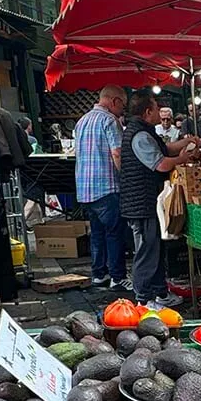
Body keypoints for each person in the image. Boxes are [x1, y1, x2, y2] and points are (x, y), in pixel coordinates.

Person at [120, 88, 199, 309]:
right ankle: (143, 299)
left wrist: (186, 143)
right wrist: (182, 158)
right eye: (156, 108)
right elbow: (161, 163)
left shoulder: (145, 131)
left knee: (156, 249)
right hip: (142, 202)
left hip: (146, 200)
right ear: (147, 112)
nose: (159, 111)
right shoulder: (140, 135)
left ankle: (159, 293)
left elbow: (165, 148)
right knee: (147, 250)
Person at [74, 84, 132, 290]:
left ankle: (99, 274)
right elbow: (117, 153)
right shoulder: (110, 121)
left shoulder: (81, 121)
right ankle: (117, 276)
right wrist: (126, 178)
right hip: (107, 187)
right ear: (115, 101)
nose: (123, 110)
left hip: (84, 189)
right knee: (114, 232)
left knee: (97, 234)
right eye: (122, 105)